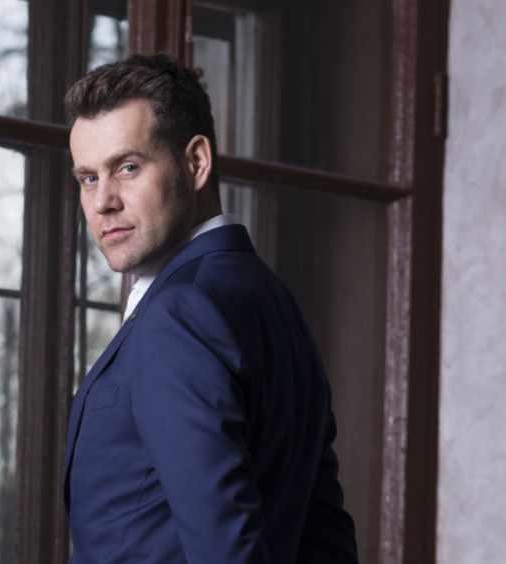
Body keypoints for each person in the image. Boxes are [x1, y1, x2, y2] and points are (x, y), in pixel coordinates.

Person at [62, 53, 359, 563]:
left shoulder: (178, 314)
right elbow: (328, 541)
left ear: (196, 162)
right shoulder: (275, 302)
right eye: (88, 178)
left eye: (127, 167)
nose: (103, 201)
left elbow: (227, 548)